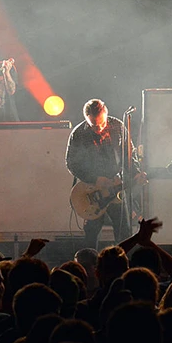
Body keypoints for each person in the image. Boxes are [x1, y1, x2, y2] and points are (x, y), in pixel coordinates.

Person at [65, 99, 142, 249]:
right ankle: (91, 265)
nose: (99, 129)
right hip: (93, 190)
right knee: (92, 234)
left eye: (102, 124)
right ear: (86, 118)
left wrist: (137, 173)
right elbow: (71, 163)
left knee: (124, 232)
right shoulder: (79, 133)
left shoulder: (118, 127)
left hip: (116, 187)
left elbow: (129, 156)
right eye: (94, 126)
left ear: (106, 114)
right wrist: (95, 179)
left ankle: (121, 262)